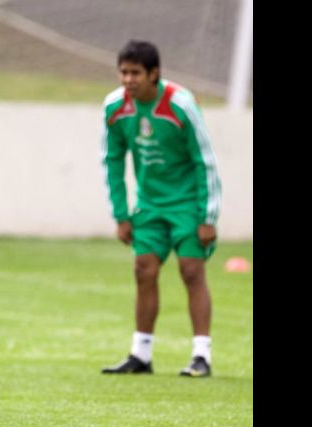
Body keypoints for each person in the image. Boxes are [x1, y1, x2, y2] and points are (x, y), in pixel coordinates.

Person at [100, 40, 222, 378]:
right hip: (149, 206)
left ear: (154, 74)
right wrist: (121, 214)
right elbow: (110, 161)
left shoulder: (181, 104)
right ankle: (141, 354)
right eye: (123, 72)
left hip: (187, 204)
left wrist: (208, 216)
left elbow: (205, 161)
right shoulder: (114, 107)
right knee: (144, 270)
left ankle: (202, 355)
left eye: (135, 73)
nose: (127, 80)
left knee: (191, 271)